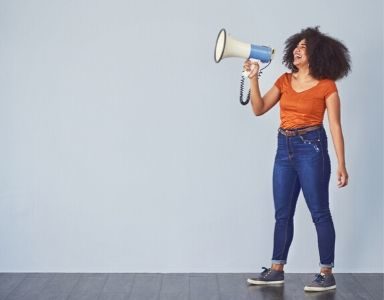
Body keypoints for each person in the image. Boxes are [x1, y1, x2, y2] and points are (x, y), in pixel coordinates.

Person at [244, 27, 351, 292]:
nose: (297, 50)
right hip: (284, 148)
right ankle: (276, 269)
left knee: (319, 212)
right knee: (282, 213)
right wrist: (254, 78)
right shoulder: (283, 80)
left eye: (303, 47)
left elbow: (335, 126)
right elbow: (258, 109)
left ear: (317, 53)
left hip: (312, 148)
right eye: (296, 45)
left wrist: (341, 164)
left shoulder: (327, 85)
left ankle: (326, 273)